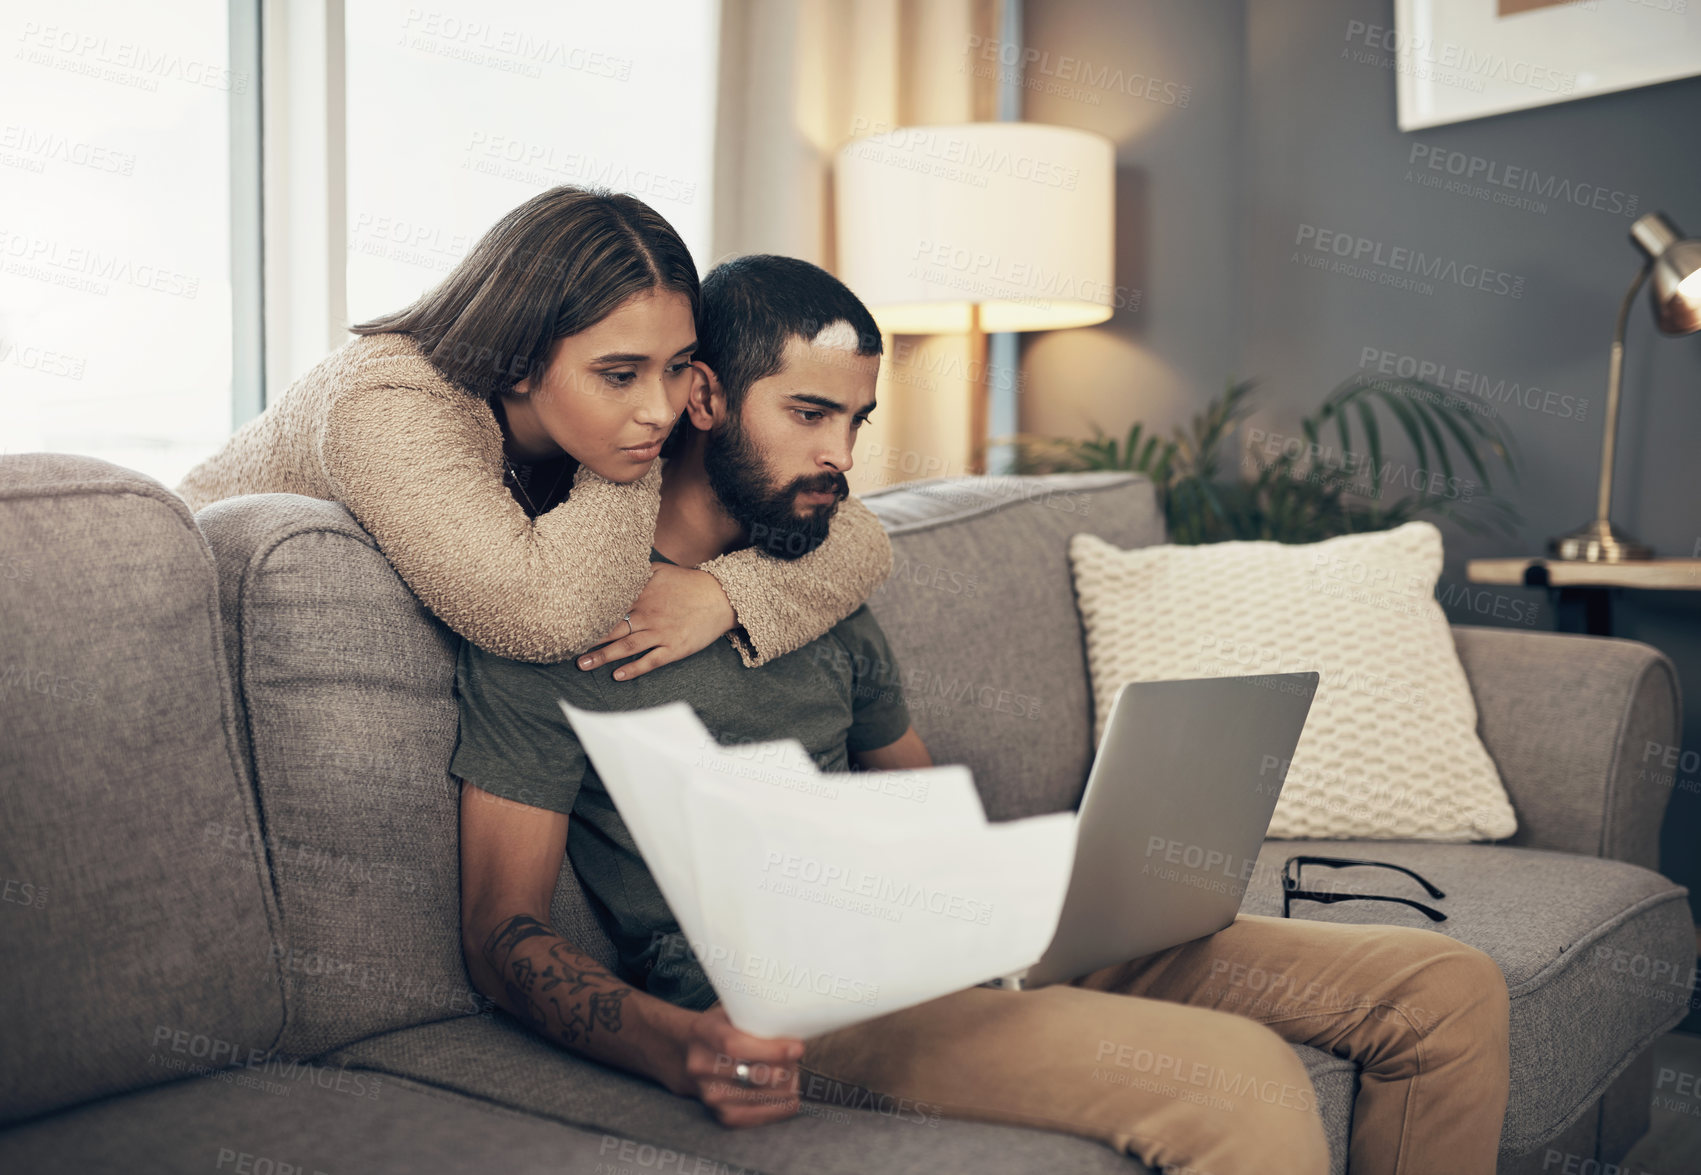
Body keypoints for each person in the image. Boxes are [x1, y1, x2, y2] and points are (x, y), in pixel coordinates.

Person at [450, 255, 1512, 1175]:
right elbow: (504, 935)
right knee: (1242, 1082)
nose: (842, 459)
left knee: (1445, 985)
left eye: (856, 421)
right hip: (807, 990)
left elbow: (921, 796)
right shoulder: (556, 621)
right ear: (707, 399)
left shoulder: (809, 582)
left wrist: (1056, 882)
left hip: (951, 927)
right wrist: (673, 1040)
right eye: (810, 414)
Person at [177, 186, 892, 675]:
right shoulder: (388, 401)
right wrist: (636, 467)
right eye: (620, 374)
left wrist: (726, 596)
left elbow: (862, 536)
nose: (660, 409)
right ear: (518, 363)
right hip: (186, 632)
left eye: (678, 366)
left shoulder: (622, 409)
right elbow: (546, 613)